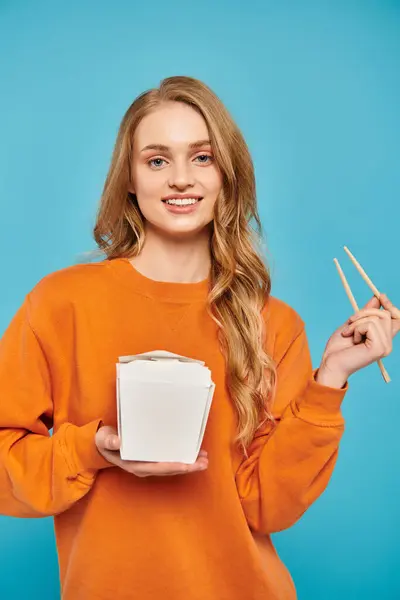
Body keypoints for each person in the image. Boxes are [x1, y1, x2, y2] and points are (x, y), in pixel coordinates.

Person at [0, 76, 398, 600]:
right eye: (157, 160)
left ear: (226, 175)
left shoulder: (272, 323)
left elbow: (267, 507)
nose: (181, 180)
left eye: (203, 158)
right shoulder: (60, 304)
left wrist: (331, 379)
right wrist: (91, 449)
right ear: (129, 179)